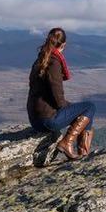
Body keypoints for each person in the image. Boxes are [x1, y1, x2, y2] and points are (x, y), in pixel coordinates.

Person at [26, 27, 95, 160]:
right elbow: (58, 98)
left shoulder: (41, 58)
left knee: (83, 112)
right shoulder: (54, 62)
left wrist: (72, 110)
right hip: (47, 119)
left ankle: (82, 152)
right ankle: (69, 145)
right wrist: (71, 110)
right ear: (63, 45)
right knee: (89, 107)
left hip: (35, 119)